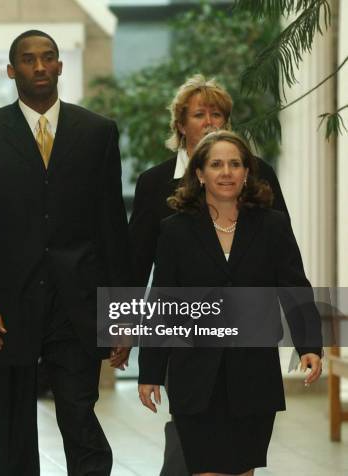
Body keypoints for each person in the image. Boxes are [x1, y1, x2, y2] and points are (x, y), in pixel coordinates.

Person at [0, 30, 131, 476]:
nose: (40, 67)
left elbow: (112, 231)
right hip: (6, 310)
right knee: (10, 429)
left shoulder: (97, 132)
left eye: (48, 57)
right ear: (12, 71)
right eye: (29, 60)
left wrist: (121, 315)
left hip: (77, 305)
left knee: (79, 416)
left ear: (60, 66)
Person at [129, 75, 289, 475]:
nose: (210, 121)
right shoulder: (155, 184)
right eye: (199, 114)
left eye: (217, 113)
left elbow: (282, 259)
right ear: (181, 124)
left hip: (248, 347)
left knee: (238, 458)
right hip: (188, 341)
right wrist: (126, 330)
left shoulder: (258, 174)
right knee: (194, 439)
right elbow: (142, 269)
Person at [138, 131, 322, 476]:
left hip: (253, 375)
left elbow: (294, 286)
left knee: (242, 471)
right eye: (217, 164)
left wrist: (310, 344)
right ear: (199, 174)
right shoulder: (175, 231)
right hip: (194, 376)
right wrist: (149, 372)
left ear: (247, 173)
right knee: (206, 470)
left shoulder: (272, 226)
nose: (226, 172)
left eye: (235, 164)